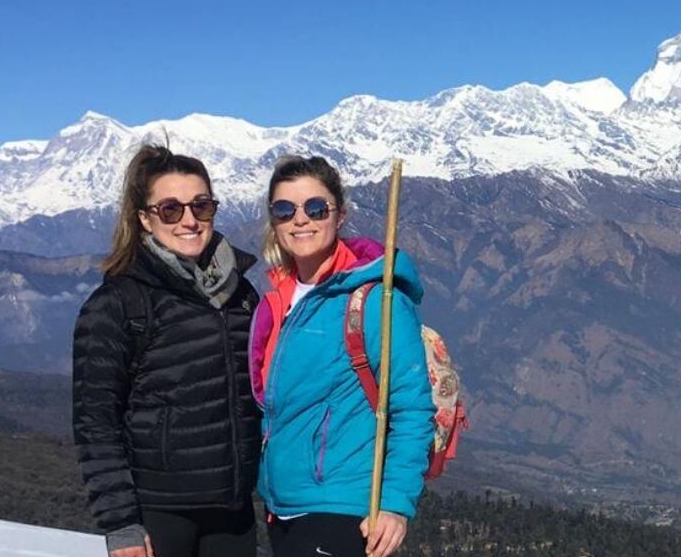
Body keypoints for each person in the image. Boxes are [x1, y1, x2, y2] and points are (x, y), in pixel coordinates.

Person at [72, 145, 263, 557]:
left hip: (233, 508)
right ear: (145, 218)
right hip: (158, 511)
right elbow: (95, 422)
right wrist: (120, 522)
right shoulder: (118, 304)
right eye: (171, 209)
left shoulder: (240, 293)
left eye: (202, 206)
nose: (190, 220)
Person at [250, 155, 434, 557]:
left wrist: (395, 503)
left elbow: (412, 408)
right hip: (282, 508)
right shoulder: (277, 301)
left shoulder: (374, 301)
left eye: (315, 208)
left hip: (344, 507)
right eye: (285, 210)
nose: (300, 220)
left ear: (341, 215)